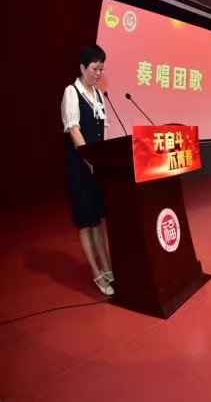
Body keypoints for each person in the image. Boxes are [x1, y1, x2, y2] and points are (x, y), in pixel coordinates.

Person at [61, 44, 114, 296]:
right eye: (95, 68)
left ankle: (107, 267)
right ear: (83, 68)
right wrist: (91, 160)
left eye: (101, 69)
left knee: (97, 220)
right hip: (81, 167)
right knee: (86, 222)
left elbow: (105, 127)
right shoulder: (71, 92)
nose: (98, 73)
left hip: (97, 166)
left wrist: (105, 156)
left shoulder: (99, 95)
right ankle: (96, 273)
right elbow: (74, 129)